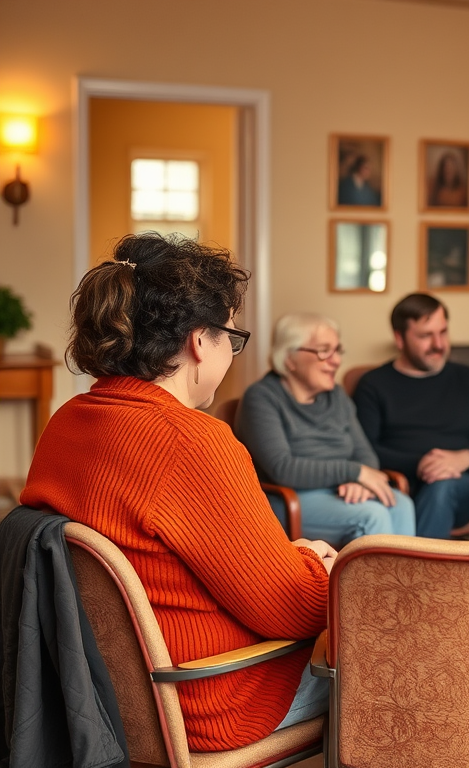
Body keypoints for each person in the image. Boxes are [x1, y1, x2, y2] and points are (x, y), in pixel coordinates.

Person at [19, 234, 334, 752]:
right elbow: (296, 609)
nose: (232, 352)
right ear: (198, 340)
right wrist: (319, 569)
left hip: (103, 702)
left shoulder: (67, 423)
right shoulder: (191, 443)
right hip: (209, 703)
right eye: (232, 338)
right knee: (399, 666)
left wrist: (287, 559)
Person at [235, 313, 416, 546]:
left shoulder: (337, 396)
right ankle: (374, 584)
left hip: (339, 493)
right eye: (324, 351)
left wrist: (358, 481)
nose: (336, 361)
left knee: (401, 504)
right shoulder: (261, 398)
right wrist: (354, 472)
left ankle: (403, 583)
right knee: (372, 515)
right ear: (290, 358)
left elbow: (365, 454)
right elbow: (282, 468)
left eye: (337, 350)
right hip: (289, 499)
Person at [352, 293, 469, 538]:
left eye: (443, 332)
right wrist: (423, 464)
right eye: (426, 336)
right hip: (399, 488)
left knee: (442, 486)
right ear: (399, 338)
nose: (439, 344)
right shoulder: (373, 384)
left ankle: (414, 572)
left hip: (459, 487)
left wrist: (463, 459)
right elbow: (365, 448)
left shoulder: (467, 378)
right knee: (427, 488)